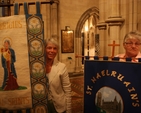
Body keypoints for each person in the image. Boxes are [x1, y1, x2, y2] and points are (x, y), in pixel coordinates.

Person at [45, 38, 71, 113]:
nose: (52, 51)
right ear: (44, 49)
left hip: (59, 107)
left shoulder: (61, 67)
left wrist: (68, 110)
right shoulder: (37, 67)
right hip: (42, 107)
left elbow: (67, 91)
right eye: (49, 48)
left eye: (55, 48)